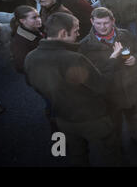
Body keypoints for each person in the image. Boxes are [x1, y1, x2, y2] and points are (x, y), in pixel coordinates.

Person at [24, 12, 122, 166]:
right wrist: (113, 59)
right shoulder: (73, 58)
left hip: (63, 119)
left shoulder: (30, 57)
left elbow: (33, 84)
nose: (78, 34)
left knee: (78, 155)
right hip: (92, 119)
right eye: (76, 31)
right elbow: (102, 86)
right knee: (110, 152)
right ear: (63, 33)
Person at [79, 7, 137, 147]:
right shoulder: (85, 46)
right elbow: (89, 76)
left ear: (113, 21)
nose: (102, 27)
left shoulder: (126, 34)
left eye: (106, 23)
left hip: (131, 89)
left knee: (134, 118)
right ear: (91, 21)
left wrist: (136, 58)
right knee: (114, 125)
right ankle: (117, 149)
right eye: (98, 23)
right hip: (109, 96)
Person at [10, 6, 43, 74]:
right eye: (34, 18)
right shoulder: (19, 42)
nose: (39, 19)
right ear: (22, 21)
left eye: (38, 16)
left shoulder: (38, 28)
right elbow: (22, 66)